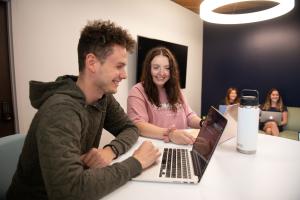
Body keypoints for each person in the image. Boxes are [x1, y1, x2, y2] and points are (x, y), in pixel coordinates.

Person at [7, 20, 160, 200]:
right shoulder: (60, 110)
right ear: (92, 63)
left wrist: (110, 151)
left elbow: (130, 128)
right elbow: (69, 192)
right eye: (119, 66)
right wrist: (137, 163)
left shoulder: (103, 98)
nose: (124, 74)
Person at [127, 46, 202, 145]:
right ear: (148, 69)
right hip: (156, 148)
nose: (162, 73)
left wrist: (204, 124)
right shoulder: (137, 91)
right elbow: (139, 125)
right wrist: (171, 134)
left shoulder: (177, 90)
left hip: (182, 145)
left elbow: (189, 116)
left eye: (167, 68)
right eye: (156, 67)